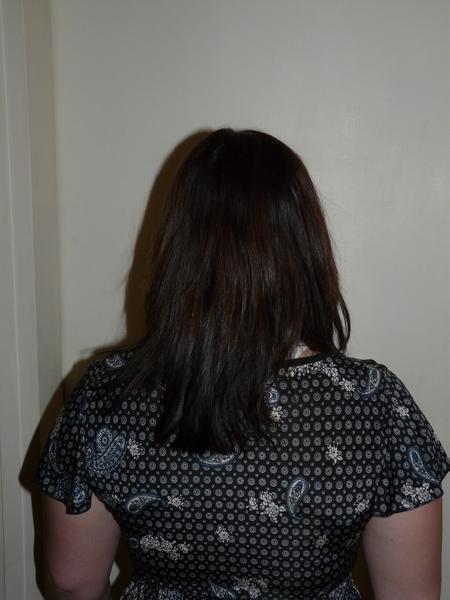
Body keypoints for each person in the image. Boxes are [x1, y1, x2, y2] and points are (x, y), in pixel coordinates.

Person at [35, 128, 450, 600]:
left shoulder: (109, 394)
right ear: (305, 245)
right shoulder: (373, 405)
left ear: (179, 247)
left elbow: (72, 582)